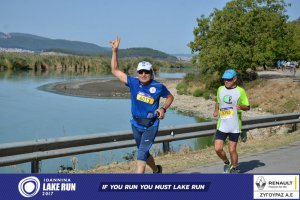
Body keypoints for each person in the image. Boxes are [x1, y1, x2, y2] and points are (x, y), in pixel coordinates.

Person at [110, 36, 174, 173]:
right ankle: (157, 170)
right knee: (143, 152)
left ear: (152, 73)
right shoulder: (133, 83)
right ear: (137, 73)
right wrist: (115, 51)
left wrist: (163, 108)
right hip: (135, 125)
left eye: (147, 72)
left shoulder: (158, 86)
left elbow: (170, 97)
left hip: (151, 126)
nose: (144, 74)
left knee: (140, 156)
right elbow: (115, 70)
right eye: (141, 72)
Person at [213, 69, 250, 173]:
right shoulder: (220, 89)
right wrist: (216, 110)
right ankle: (226, 162)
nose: (226, 81)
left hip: (234, 125)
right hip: (222, 125)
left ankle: (234, 168)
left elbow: (248, 107)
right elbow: (218, 101)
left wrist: (241, 107)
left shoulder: (240, 91)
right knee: (217, 148)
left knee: (232, 149)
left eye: (228, 80)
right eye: (224, 79)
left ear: (235, 79)